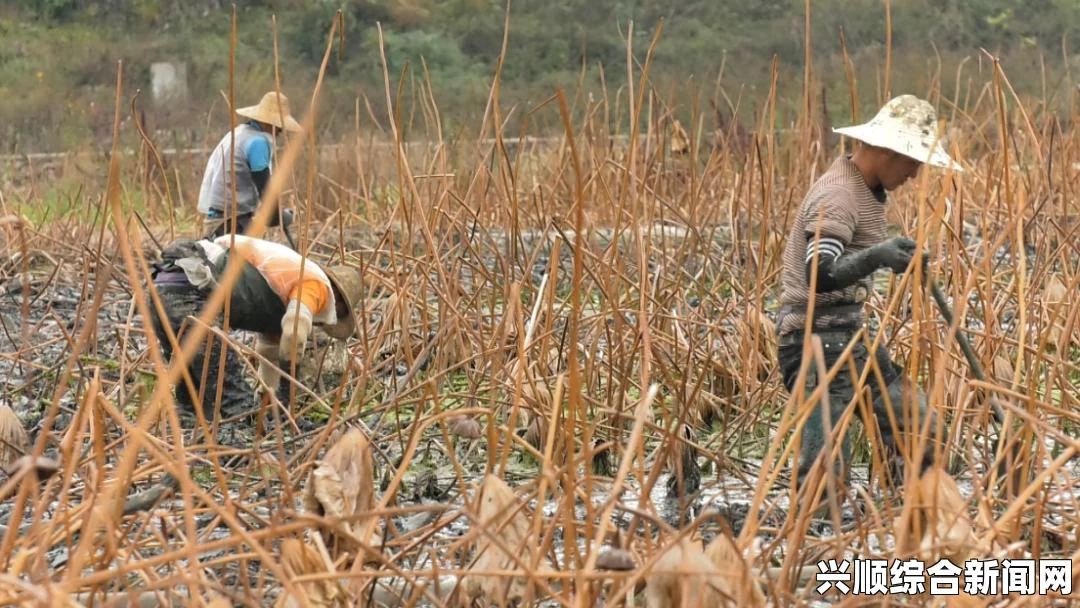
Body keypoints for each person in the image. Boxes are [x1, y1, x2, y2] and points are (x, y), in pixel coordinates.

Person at [774, 94, 963, 498]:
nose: (914, 174)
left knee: (920, 430)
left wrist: (894, 257)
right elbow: (818, 274)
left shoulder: (865, 191)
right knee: (824, 475)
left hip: (853, 340)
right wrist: (878, 255)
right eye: (913, 162)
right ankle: (817, 548)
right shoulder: (838, 195)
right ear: (888, 152)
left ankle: (903, 518)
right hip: (815, 347)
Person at [148, 234, 363, 417]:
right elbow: (294, 331)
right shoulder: (316, 285)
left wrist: (268, 401)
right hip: (194, 291)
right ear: (339, 303)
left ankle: (192, 456)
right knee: (237, 407)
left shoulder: (279, 284)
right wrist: (288, 395)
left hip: (162, 288)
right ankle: (239, 459)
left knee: (193, 403)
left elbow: (269, 352)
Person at [197, 91, 302, 239]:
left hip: (219, 218)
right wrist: (278, 215)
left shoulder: (240, 133)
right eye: (278, 125)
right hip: (230, 225)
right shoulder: (258, 143)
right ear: (268, 122)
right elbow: (265, 190)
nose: (279, 131)